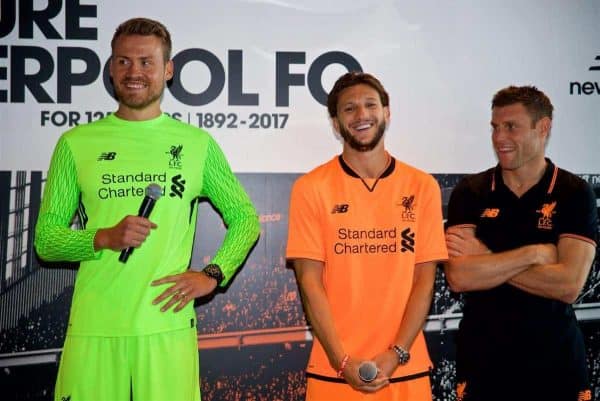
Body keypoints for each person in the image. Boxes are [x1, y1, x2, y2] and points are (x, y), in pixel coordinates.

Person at [34, 17, 260, 401]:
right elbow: (46, 241)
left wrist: (213, 273)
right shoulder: (76, 143)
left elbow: (245, 220)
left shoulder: (196, 144)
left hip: (166, 328)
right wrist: (104, 237)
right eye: (123, 61)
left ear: (168, 70)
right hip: (95, 327)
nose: (134, 72)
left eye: (146, 62)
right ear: (110, 68)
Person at [286, 71, 448, 400]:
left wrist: (397, 353)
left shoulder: (422, 186)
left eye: (370, 105)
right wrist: (341, 361)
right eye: (349, 109)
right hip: (336, 372)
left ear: (386, 113)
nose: (361, 115)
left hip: (405, 368)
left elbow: (424, 281)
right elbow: (309, 281)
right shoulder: (311, 188)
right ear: (335, 123)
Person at [444, 85, 598, 401]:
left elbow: (568, 285)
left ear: (543, 128)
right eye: (495, 127)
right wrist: (535, 253)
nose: (499, 137)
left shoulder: (574, 192)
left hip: (555, 365)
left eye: (511, 126)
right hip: (483, 363)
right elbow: (459, 277)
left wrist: (486, 256)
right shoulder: (470, 192)